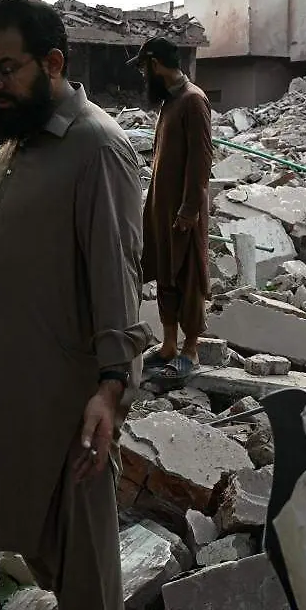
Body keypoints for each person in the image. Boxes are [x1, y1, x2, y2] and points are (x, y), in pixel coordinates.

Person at [0, 0, 145, 609]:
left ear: (52, 63)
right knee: (39, 543)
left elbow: (118, 277)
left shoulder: (97, 148)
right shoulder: (22, 142)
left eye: (6, 69)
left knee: (85, 564)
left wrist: (111, 388)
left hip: (67, 402)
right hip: (14, 389)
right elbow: (22, 256)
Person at [134, 36, 214, 381]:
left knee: (189, 276)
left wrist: (189, 210)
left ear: (155, 64)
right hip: (162, 206)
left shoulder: (193, 100)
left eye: (144, 69)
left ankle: (190, 349)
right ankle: (168, 345)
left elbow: (201, 161)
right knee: (165, 271)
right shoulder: (171, 100)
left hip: (184, 211)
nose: (143, 76)